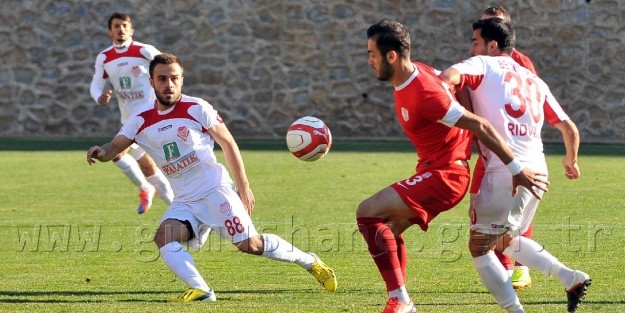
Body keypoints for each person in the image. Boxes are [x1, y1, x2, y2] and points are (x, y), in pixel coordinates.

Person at [87, 53, 337, 302]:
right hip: (185, 199)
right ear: (151, 82)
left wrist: (244, 187)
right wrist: (101, 151)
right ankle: (202, 291)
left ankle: (310, 261)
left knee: (251, 245)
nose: (169, 84)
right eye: (162, 79)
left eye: (174, 78)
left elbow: (228, 143)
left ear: (182, 80)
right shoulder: (139, 120)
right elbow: (114, 147)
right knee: (164, 237)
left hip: (215, 191)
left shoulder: (197, 108)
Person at [359, 19, 548, 313]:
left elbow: (480, 124)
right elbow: (456, 86)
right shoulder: (420, 74)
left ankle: (401, 299)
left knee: (367, 212)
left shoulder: (425, 94)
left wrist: (516, 169)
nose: (369, 60)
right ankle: (401, 300)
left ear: (391, 56)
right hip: (432, 171)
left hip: (445, 176)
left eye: (372, 53)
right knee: (389, 229)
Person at [439, 18, 589, 313]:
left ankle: (515, 311)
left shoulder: (483, 63)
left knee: (479, 247)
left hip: (507, 169)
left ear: (491, 45)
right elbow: (569, 128)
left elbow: (447, 77)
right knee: (507, 240)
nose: (471, 49)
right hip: (539, 171)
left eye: (475, 41)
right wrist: (570, 160)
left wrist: (451, 102)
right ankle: (570, 277)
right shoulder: (533, 78)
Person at [469, 5, 539, 289]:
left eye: (494, 24)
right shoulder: (476, 60)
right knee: (478, 206)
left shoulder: (522, 62)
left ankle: (520, 268)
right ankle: (505, 265)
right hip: (487, 150)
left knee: (516, 211)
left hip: (513, 151)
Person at [90, 12, 174, 214]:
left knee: (116, 152)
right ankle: (180, 210)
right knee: (148, 168)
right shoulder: (104, 57)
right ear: (110, 31)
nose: (121, 29)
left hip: (148, 116)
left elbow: (168, 66)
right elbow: (96, 84)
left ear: (131, 30)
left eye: (125, 25)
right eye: (117, 26)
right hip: (127, 119)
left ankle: (146, 188)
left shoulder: (144, 51)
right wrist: (98, 97)